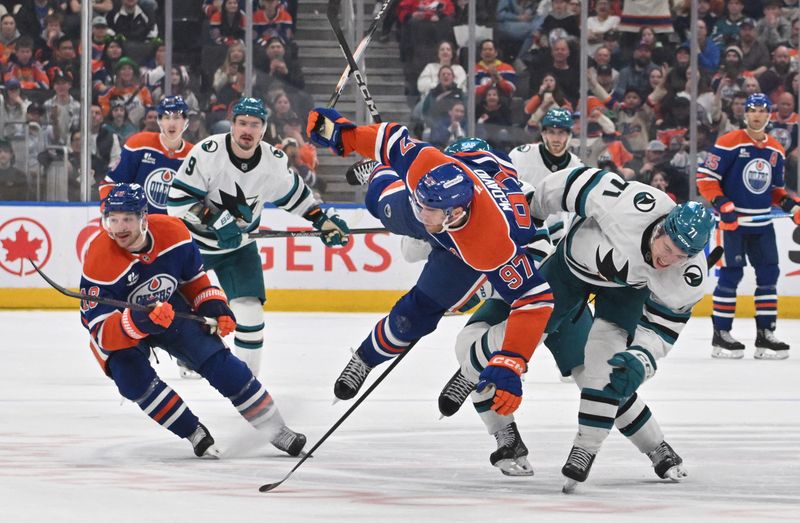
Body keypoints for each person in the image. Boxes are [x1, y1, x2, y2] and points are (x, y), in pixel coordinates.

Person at [441, 166, 715, 490]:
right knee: (480, 350)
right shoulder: (455, 218)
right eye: (668, 249)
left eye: (680, 256)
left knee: (607, 375)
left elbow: (664, 326)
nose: (668, 260)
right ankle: (505, 435)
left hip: (595, 289)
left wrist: (643, 357)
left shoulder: (527, 202)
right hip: (555, 283)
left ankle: (648, 447)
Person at [307, 107, 554, 421]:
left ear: (456, 211)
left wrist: (513, 360)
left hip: (467, 246)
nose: (424, 216)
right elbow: (391, 138)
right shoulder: (430, 166)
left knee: (420, 311)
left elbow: (535, 299)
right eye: (422, 206)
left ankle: (458, 366)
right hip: (442, 207)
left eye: (431, 212)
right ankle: (377, 172)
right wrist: (341, 134)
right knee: (379, 203)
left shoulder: (493, 240)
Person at [80, 183, 306, 458]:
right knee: (132, 379)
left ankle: (276, 429)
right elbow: (100, 330)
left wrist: (215, 307)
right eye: (112, 220)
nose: (119, 228)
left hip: (170, 309)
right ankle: (192, 431)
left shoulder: (174, 233)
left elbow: (195, 281)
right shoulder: (98, 258)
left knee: (220, 362)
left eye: (127, 218)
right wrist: (139, 320)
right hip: (122, 325)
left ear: (143, 217)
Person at [167, 97, 350, 376]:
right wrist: (213, 218)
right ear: (232, 125)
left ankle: (247, 383)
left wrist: (321, 220)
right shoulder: (207, 152)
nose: (247, 130)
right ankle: (189, 354)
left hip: (239, 249)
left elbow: (296, 198)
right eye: (242, 123)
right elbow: (177, 202)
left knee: (251, 314)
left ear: (264, 130)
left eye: (254, 124)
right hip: (195, 247)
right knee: (187, 313)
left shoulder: (273, 161)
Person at [697, 93, 800, 360]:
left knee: (769, 276)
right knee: (731, 276)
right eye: (752, 110)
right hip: (734, 224)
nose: (756, 115)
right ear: (746, 114)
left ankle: (765, 334)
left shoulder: (776, 149)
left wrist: (791, 206)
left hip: (762, 223)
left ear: (769, 115)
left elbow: (775, 190)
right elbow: (706, 178)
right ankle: (721, 335)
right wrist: (722, 203)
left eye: (762, 111)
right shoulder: (729, 142)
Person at [100, 96, 193, 213]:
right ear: (159, 121)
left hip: (175, 228)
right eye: (166, 117)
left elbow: (202, 199)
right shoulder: (139, 144)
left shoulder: (194, 155)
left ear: (186, 122)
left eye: (177, 118)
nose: (171, 123)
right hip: (139, 227)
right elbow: (110, 183)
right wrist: (108, 208)